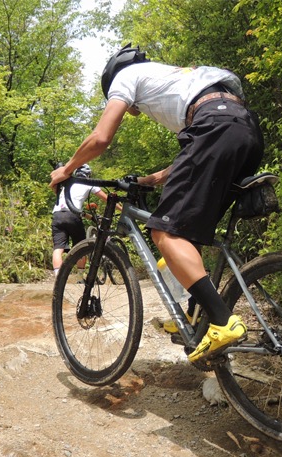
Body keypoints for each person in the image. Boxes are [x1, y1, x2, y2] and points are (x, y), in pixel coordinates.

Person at [49, 44, 264, 363]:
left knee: (164, 233)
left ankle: (222, 320)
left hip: (215, 127)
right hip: (246, 129)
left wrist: (66, 170)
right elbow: (197, 152)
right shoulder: (179, 79)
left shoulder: (126, 76)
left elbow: (101, 138)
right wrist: (150, 179)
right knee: (188, 232)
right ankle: (195, 317)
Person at [51, 164, 109, 277]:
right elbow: (106, 198)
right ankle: (80, 277)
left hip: (57, 215)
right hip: (72, 216)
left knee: (58, 248)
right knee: (81, 247)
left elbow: (71, 207)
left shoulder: (66, 184)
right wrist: (121, 208)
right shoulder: (88, 183)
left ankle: (58, 278)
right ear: (88, 174)